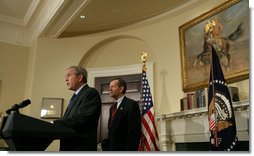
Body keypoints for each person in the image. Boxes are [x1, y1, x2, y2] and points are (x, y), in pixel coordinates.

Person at [54, 66, 101, 151]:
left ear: (79, 77)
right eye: (65, 76)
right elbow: (68, 120)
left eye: (69, 75)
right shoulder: (75, 96)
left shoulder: (90, 92)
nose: (66, 79)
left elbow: (82, 119)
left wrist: (55, 123)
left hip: (81, 148)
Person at [105, 77, 141, 151]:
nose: (109, 89)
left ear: (121, 89)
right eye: (109, 87)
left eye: (112, 86)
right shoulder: (112, 107)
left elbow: (134, 132)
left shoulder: (131, 105)